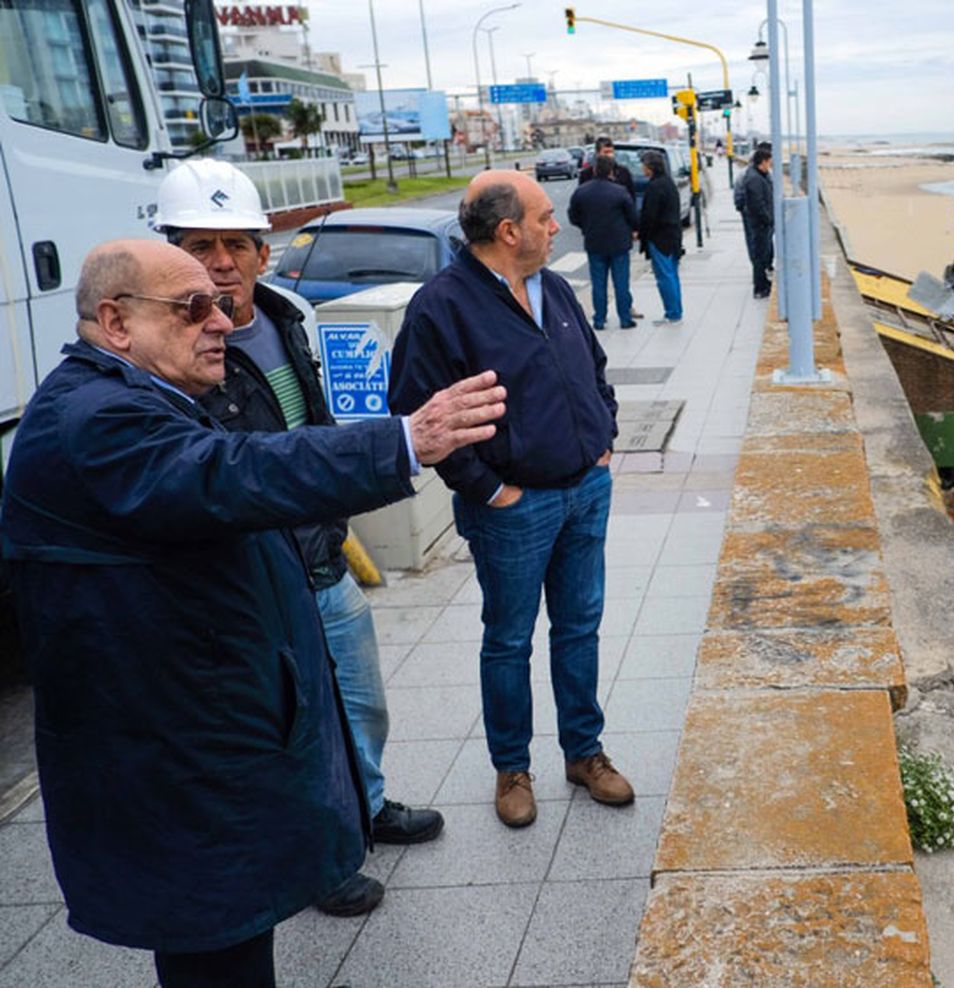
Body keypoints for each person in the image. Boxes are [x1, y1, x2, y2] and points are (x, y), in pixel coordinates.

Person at [1, 239, 506, 988]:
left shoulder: (142, 394)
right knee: (217, 948)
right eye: (192, 307)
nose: (221, 322)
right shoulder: (96, 419)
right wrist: (403, 440)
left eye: (220, 301)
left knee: (233, 936)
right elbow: (230, 474)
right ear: (115, 322)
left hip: (202, 747)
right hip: (177, 766)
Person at [153, 159, 443, 918]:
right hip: (252, 581)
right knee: (294, 728)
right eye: (199, 245)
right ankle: (322, 857)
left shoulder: (288, 316)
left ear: (262, 253)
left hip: (320, 558)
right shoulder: (169, 351)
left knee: (360, 703)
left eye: (235, 245)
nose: (220, 264)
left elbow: (311, 432)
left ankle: (367, 806)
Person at [389, 170, 634, 832]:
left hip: (586, 489)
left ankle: (584, 754)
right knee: (509, 640)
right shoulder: (441, 307)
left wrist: (603, 437)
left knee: (580, 627)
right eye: (546, 217)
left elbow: (592, 364)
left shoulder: (552, 286)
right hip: (513, 509)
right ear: (509, 231)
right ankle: (512, 768)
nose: (557, 227)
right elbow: (417, 413)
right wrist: (489, 489)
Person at [568, 155, 639, 331]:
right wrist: (632, 230)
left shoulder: (582, 191)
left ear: (594, 170)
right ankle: (625, 318)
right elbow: (633, 216)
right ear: (611, 172)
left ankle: (599, 319)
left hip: (594, 241)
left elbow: (573, 216)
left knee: (598, 283)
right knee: (621, 283)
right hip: (619, 243)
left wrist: (586, 226)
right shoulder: (620, 191)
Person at [638, 150, 684, 325]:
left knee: (664, 276)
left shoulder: (655, 186)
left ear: (651, 167)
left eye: (644, 165)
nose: (642, 168)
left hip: (659, 238)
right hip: (672, 235)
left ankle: (672, 313)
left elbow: (650, 215)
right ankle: (676, 310)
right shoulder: (668, 183)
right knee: (672, 274)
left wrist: (642, 234)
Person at [744, 148, 776, 299]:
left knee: (761, 255)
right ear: (763, 161)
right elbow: (758, 204)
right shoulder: (754, 179)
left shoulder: (758, 175)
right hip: (760, 224)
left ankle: (763, 283)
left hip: (762, 223)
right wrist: (768, 219)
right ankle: (759, 287)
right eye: (769, 162)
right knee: (759, 256)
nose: (770, 165)